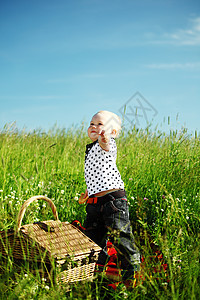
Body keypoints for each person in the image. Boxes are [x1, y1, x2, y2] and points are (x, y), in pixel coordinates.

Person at [80, 110, 140, 282]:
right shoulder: (90, 149)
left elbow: (105, 143)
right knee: (92, 237)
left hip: (113, 201)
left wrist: (104, 137)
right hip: (94, 201)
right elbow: (94, 174)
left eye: (100, 124)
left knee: (119, 235)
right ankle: (97, 270)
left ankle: (132, 269)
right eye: (92, 123)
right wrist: (88, 192)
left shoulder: (107, 143)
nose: (94, 127)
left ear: (112, 132)